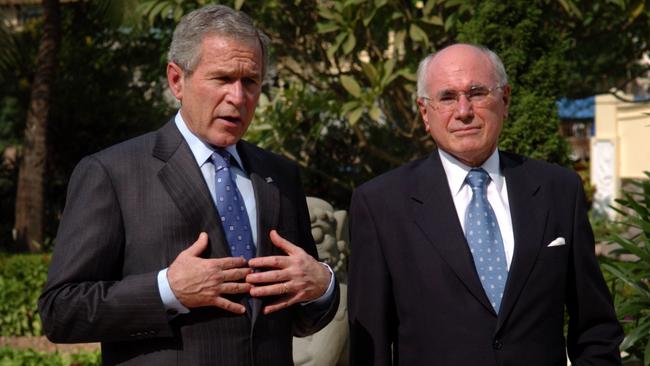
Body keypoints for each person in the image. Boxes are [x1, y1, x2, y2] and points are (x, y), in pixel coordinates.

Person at [38, 5, 339, 366]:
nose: (238, 98)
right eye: (222, 79)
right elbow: (61, 311)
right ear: (177, 80)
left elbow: (296, 318)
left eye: (250, 81)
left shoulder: (279, 176)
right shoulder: (112, 173)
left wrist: (322, 287)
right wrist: (168, 290)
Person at [348, 43, 623, 366]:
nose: (463, 111)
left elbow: (595, 327)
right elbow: (371, 347)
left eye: (477, 93)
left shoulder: (558, 190)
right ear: (425, 113)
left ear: (504, 100)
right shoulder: (381, 204)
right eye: (447, 97)